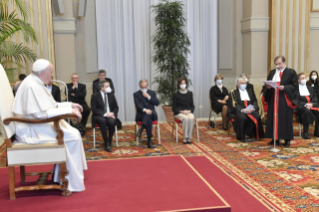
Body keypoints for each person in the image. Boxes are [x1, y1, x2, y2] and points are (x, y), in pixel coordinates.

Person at [12, 59, 87, 192]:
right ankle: (69, 179)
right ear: (43, 73)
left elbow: (51, 105)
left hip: (35, 123)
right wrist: (69, 112)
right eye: (51, 72)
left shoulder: (36, 82)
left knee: (72, 132)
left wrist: (70, 105)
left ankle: (62, 176)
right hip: (31, 128)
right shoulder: (32, 86)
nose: (52, 75)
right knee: (73, 135)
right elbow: (40, 114)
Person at [263, 56, 298, 147]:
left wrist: (285, 87)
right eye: (276, 64)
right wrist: (268, 87)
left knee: (285, 118)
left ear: (284, 62)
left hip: (284, 99)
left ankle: (287, 139)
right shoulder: (272, 72)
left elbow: (294, 86)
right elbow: (267, 84)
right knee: (273, 118)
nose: (278, 66)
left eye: (280, 64)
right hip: (273, 99)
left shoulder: (291, 72)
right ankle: (275, 138)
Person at [229, 78, 264, 142]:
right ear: (238, 84)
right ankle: (242, 136)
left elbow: (255, 101)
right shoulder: (233, 92)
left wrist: (253, 108)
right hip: (240, 110)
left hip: (250, 109)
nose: (244, 85)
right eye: (242, 83)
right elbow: (234, 104)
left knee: (257, 117)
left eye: (245, 83)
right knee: (243, 118)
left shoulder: (249, 91)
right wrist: (243, 110)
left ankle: (253, 133)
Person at [91, 80, 119, 152]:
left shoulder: (111, 95)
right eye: (107, 86)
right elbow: (94, 109)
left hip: (110, 115)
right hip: (99, 115)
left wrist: (112, 113)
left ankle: (110, 140)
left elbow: (116, 107)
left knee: (112, 122)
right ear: (101, 88)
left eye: (109, 86)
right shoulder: (95, 96)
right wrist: (106, 114)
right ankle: (106, 141)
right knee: (103, 121)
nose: (109, 88)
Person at [134, 79, 160, 148]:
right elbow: (137, 105)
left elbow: (157, 103)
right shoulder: (136, 94)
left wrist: (149, 97)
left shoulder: (152, 93)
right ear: (140, 86)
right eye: (142, 87)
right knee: (148, 119)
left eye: (145, 87)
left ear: (147, 86)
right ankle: (149, 141)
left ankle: (142, 128)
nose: (144, 89)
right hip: (141, 114)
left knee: (149, 115)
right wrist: (145, 110)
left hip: (152, 114)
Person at [172, 78, 195, 144]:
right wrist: (182, 111)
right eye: (181, 83)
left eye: (184, 83)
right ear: (179, 85)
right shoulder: (176, 94)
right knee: (185, 118)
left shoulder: (190, 93)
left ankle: (189, 137)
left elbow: (192, 105)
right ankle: (185, 137)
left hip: (188, 111)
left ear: (186, 84)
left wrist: (189, 111)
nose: (183, 85)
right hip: (179, 112)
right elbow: (174, 107)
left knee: (191, 118)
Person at [296, 73, 319, 139]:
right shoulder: (296, 89)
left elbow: (314, 98)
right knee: (307, 111)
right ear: (298, 80)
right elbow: (296, 100)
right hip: (300, 107)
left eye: (305, 78)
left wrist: (311, 104)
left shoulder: (309, 88)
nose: (304, 80)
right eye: (302, 78)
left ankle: (316, 131)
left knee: (318, 111)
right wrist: (305, 104)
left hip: (311, 105)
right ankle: (305, 132)